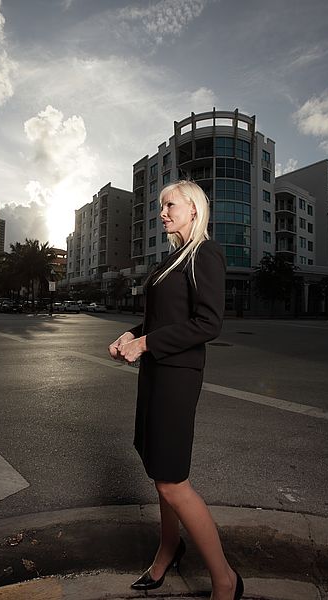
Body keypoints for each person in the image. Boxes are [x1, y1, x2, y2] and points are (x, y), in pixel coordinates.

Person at [108, 180, 244, 600]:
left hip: (178, 376)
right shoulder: (170, 260)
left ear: (193, 209)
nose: (162, 212)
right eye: (161, 206)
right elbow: (158, 320)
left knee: (172, 481)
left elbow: (208, 323)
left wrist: (144, 344)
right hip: (154, 372)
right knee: (157, 469)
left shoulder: (206, 253)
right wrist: (128, 336)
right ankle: (169, 548)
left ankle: (225, 579)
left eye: (169, 205)